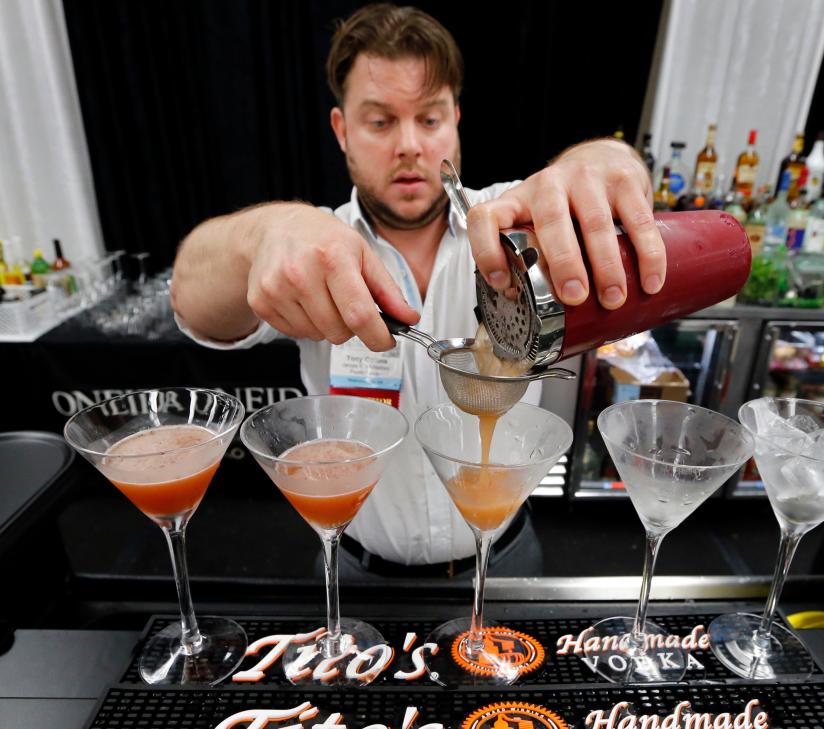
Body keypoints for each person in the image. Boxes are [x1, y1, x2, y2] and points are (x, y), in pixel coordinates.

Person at [171, 4, 664, 578]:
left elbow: (603, 172)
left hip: (503, 563)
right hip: (354, 574)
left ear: (455, 120)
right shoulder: (310, 251)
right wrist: (257, 235)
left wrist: (603, 160)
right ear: (342, 131)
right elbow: (189, 296)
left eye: (428, 120)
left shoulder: (517, 224)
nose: (408, 145)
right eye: (380, 122)